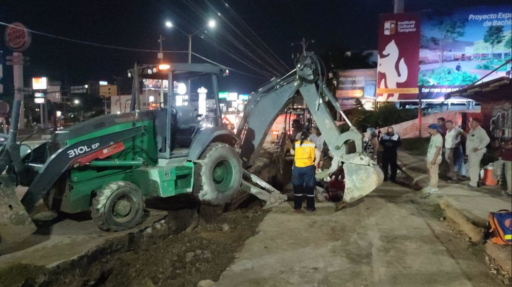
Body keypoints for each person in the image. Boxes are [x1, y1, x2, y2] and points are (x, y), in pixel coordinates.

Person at [290, 131, 317, 212]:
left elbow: (292, 152)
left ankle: (298, 208)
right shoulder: (311, 144)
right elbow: (318, 153)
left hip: (298, 168)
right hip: (309, 168)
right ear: (308, 137)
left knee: (297, 187)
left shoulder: (296, 144)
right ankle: (310, 207)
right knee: (309, 186)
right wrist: (315, 163)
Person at [461, 118, 490, 189]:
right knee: (472, 167)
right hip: (471, 152)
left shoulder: (481, 131)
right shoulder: (472, 130)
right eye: (471, 122)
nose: (471, 124)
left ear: (477, 124)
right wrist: (462, 132)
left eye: (473, 123)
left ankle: (473, 183)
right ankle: (474, 181)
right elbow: (469, 138)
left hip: (477, 152)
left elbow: (487, 140)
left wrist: (479, 147)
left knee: (474, 167)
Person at [424, 124, 443, 193]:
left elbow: (438, 149)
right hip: (430, 157)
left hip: (434, 158)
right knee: (430, 173)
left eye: (430, 129)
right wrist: (427, 156)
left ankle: (434, 187)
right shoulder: (433, 136)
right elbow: (431, 147)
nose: (429, 131)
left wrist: (434, 159)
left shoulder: (438, 137)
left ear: (435, 130)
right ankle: (431, 185)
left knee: (434, 173)